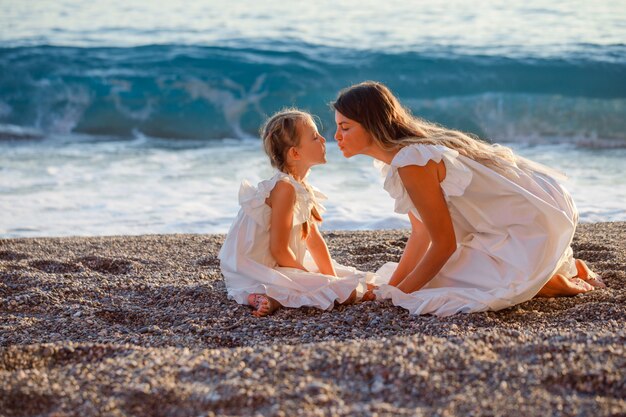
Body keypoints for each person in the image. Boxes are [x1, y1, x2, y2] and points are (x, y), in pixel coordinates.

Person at [332, 81, 605, 316]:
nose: (337, 137)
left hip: (531, 220)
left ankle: (549, 279)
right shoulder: (404, 159)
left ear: (371, 124)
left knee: (447, 284)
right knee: (432, 280)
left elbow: (444, 244)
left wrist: (396, 297)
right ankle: (551, 271)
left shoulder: (411, 161)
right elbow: (421, 234)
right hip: (536, 208)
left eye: (345, 127)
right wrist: (391, 288)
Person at [218, 109, 374, 317]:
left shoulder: (299, 186)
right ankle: (262, 297)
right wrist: (308, 278)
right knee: (344, 291)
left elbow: (313, 239)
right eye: (314, 137)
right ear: (295, 153)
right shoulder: (284, 188)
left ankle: (268, 295)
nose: (323, 140)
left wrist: (330, 276)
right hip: (256, 267)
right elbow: (279, 250)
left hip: (277, 262)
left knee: (352, 280)